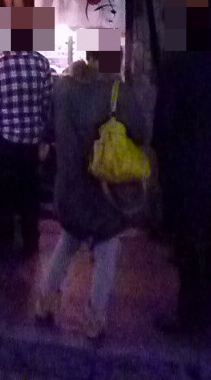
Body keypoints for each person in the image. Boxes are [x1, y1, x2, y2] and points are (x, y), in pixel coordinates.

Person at [34, 53, 149, 341]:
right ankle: (94, 320)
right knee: (107, 250)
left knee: (67, 241)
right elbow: (141, 132)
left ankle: (45, 303)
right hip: (104, 189)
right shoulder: (118, 92)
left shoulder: (62, 88)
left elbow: (48, 129)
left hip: (68, 187)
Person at [152, 48, 211, 336]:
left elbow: (165, 125)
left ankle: (189, 315)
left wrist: (162, 162)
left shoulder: (177, 63)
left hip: (184, 168)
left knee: (188, 243)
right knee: (209, 238)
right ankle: (207, 309)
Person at [0, 46, 53, 257]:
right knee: (30, 191)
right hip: (32, 139)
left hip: (3, 139)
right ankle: (30, 239)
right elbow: (47, 104)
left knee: (4, 192)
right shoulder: (41, 62)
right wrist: (39, 127)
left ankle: (4, 239)